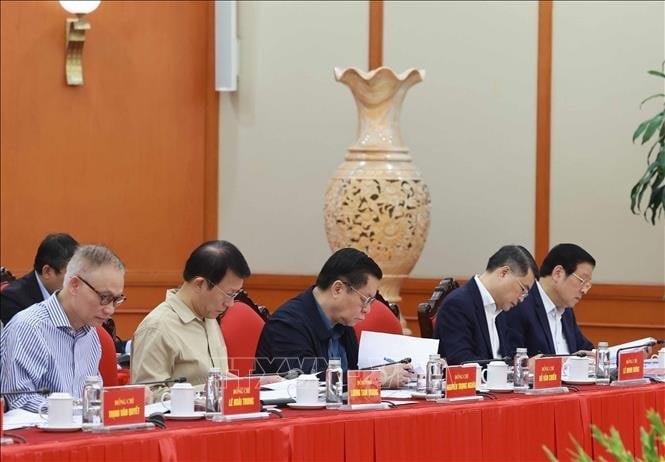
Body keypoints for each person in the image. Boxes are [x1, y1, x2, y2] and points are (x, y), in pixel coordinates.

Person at [131, 240, 277, 398]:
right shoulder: (157, 328)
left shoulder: (209, 317)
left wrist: (251, 384)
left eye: (235, 294)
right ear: (199, 284)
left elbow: (221, 381)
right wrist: (205, 391)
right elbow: (145, 397)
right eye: (229, 293)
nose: (231, 303)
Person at [254, 248, 412, 388]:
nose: (368, 310)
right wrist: (376, 377)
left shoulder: (342, 321)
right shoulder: (287, 324)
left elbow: (350, 375)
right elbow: (308, 381)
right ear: (338, 289)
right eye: (365, 300)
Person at [1, 245, 126, 412]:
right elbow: (19, 401)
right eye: (104, 297)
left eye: (116, 300)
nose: (110, 309)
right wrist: (77, 410)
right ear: (74, 285)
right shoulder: (29, 328)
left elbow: (92, 397)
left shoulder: (90, 333)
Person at [434, 245, 538, 365]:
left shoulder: (502, 309)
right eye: (523, 289)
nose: (522, 299)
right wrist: (517, 368)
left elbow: (507, 356)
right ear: (504, 273)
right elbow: (461, 361)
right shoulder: (458, 304)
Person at [504, 243, 594, 358]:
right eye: (582, 281)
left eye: (588, 285)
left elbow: (585, 348)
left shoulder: (566, 310)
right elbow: (512, 362)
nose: (585, 290)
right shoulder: (520, 304)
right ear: (558, 273)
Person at [1, 233, 78, 326]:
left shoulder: (80, 292)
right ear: (47, 272)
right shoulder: (13, 299)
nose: (77, 281)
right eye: (71, 274)